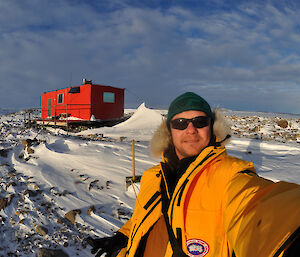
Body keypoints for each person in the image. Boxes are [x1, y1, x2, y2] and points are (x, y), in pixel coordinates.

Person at [87, 92, 300, 257]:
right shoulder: (154, 176)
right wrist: (122, 238)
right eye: (180, 123)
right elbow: (143, 218)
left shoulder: (229, 176)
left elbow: (260, 210)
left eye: (199, 122)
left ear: (212, 128)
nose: (191, 130)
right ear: (169, 132)